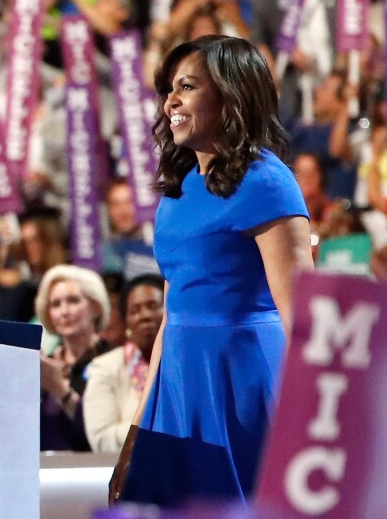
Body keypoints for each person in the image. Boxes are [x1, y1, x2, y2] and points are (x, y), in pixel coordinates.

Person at [110, 36, 313, 507]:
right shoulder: (178, 191)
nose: (170, 102)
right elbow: (169, 318)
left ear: (231, 94)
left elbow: (302, 315)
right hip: (178, 384)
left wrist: (317, 422)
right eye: (168, 90)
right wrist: (138, 431)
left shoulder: (267, 180)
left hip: (241, 384)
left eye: (187, 87)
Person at [84, 274, 164, 453]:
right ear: (126, 322)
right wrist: (160, 428)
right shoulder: (105, 367)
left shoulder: (186, 366)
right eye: (135, 310)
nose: (145, 316)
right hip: (128, 473)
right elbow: (101, 439)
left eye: (153, 306)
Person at [35, 264, 112, 451]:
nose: (64, 312)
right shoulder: (44, 364)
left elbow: (102, 434)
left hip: (97, 472)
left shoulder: (114, 360)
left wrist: (60, 390)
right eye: (55, 304)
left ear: (96, 307)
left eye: (73, 301)